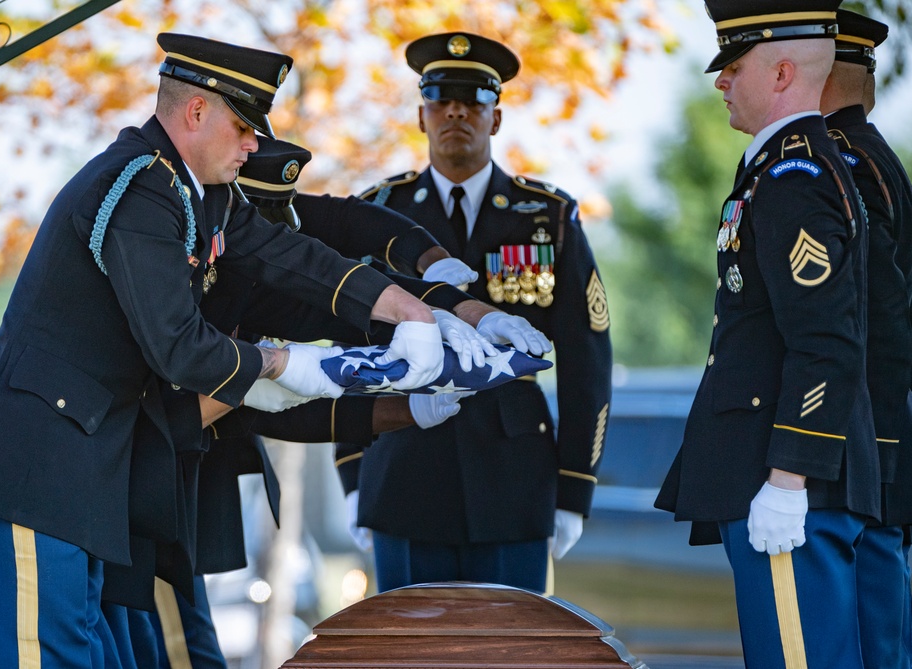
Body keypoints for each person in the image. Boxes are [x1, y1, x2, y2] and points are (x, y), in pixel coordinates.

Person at [0, 32, 449, 667]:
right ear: (196, 113)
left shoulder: (198, 192)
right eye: (244, 125)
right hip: (33, 471)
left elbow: (294, 256)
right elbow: (180, 349)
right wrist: (287, 363)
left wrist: (418, 309)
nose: (255, 143)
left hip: (71, 477)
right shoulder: (140, 188)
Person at [141, 136, 551, 667]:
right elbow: (275, 401)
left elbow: (364, 236)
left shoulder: (261, 238)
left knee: (180, 636)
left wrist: (457, 305)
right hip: (140, 464)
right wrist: (392, 414)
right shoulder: (187, 252)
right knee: (160, 637)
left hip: (181, 470)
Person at [336, 31, 613, 594]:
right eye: (441, 97)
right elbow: (349, 349)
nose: (456, 111)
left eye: (474, 99)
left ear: (496, 118)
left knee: (514, 651)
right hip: (402, 473)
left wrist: (574, 488)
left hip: (515, 479)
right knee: (409, 654)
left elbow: (588, 362)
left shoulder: (548, 217)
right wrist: (351, 474)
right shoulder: (375, 214)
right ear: (421, 115)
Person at [653, 2, 880, 666]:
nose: (720, 80)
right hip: (777, 473)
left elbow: (826, 340)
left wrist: (789, 479)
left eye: (734, 65)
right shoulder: (779, 169)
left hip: (785, 483)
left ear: (782, 71)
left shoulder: (792, 178)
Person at [821, 10, 912, 668]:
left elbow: (873, 318)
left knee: (869, 635)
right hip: (879, 434)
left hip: (866, 442)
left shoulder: (841, 164)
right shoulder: (874, 157)